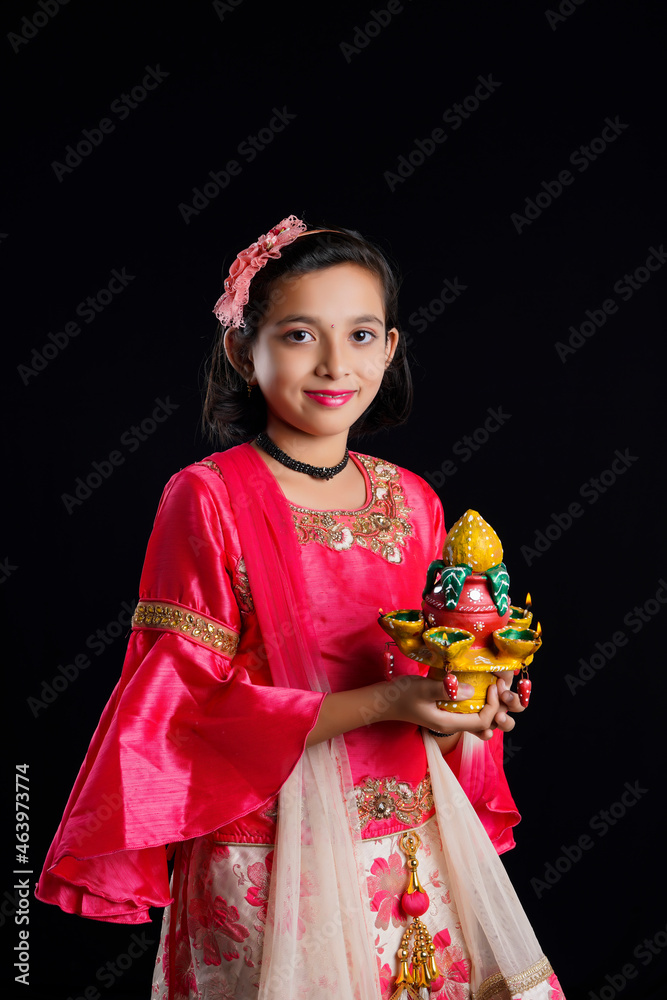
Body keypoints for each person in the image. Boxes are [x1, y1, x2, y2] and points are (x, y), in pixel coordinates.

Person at [36, 216, 565, 1000]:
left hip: (407, 843)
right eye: (296, 335)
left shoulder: (413, 500)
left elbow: (433, 662)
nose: (332, 364)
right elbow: (184, 711)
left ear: (389, 349)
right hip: (268, 851)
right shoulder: (207, 497)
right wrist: (389, 699)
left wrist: (473, 705)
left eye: (359, 335)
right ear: (241, 350)